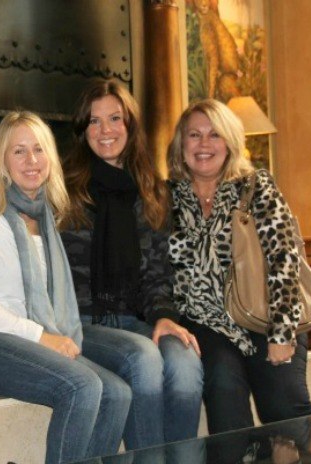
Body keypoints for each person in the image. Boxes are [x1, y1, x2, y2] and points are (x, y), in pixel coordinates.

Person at [0, 110, 158, 464]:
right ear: (2, 159)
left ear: (51, 159)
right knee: (83, 386)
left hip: (24, 341)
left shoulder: (47, 222)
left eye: (39, 150)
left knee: (117, 392)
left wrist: (45, 336)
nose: (31, 160)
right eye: (19, 151)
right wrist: (40, 336)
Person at [61, 78, 204, 448]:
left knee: (186, 365)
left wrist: (164, 316)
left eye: (114, 119)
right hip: (83, 323)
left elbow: (158, 271)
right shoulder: (63, 190)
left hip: (139, 320)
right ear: (83, 130)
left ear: (130, 125)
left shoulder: (152, 191)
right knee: (144, 358)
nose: (105, 130)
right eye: (94, 121)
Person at [165, 98, 311, 435]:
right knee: (224, 401)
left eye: (215, 135)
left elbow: (284, 258)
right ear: (181, 144)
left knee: (283, 408)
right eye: (194, 135)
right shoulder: (166, 197)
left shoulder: (256, 186)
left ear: (230, 142)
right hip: (207, 325)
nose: (204, 144)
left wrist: (282, 332)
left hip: (266, 313)